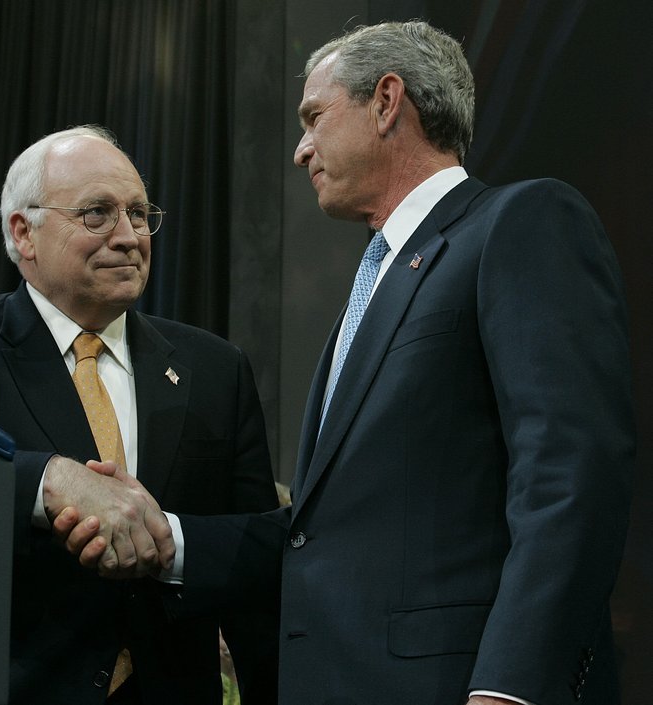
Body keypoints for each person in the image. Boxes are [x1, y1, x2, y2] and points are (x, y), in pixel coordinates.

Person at [58, 20, 635, 705]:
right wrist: (167, 538)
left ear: (387, 101)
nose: (301, 149)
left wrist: (511, 685)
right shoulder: (376, 284)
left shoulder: (520, 222)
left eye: (314, 117)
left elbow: (570, 470)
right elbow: (323, 533)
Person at [0, 125, 280, 705]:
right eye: (97, 213)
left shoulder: (216, 369)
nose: (129, 237)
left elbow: (257, 563)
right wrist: (48, 481)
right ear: (25, 233)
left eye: (140, 215)